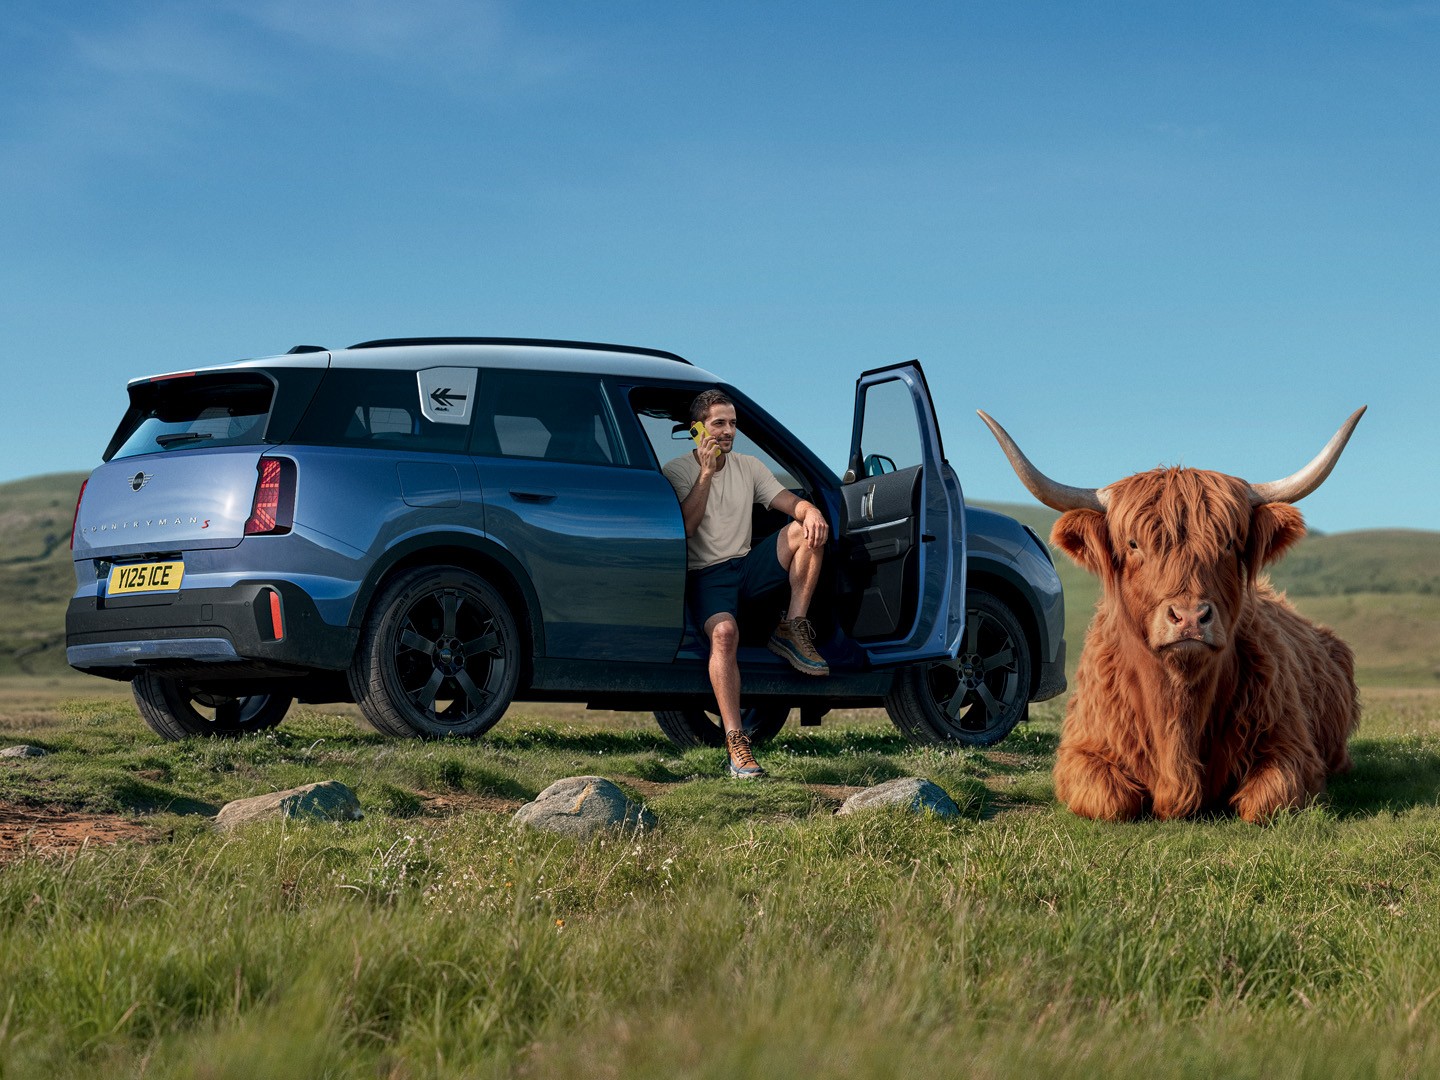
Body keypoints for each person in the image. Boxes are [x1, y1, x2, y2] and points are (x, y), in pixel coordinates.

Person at [662, 389, 830, 779]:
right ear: (697, 430)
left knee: (803, 532)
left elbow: (790, 503)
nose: (728, 432)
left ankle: (793, 628)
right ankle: (736, 744)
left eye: (733, 424)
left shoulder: (749, 467)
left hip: (747, 568)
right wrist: (706, 473)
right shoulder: (678, 471)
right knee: (724, 634)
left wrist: (812, 511)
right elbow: (686, 527)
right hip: (707, 576)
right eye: (719, 423)